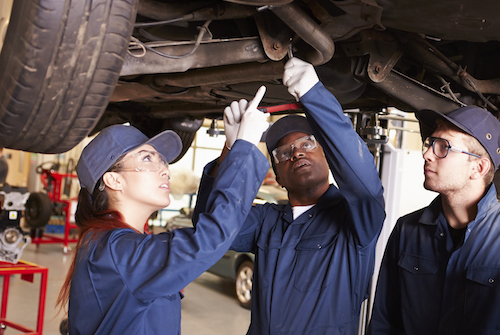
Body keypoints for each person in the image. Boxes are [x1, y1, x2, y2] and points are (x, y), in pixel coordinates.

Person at [56, 86, 271, 335]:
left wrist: (230, 151)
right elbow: (205, 242)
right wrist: (244, 148)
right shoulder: (117, 250)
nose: (165, 170)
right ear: (113, 181)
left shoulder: (106, 243)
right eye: (147, 158)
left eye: (161, 160)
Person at [193, 57, 386, 334]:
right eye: (284, 153)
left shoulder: (355, 221)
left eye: (307, 143)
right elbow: (209, 226)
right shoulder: (266, 222)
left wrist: (314, 94)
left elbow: (363, 181)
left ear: (328, 157)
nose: (296, 152)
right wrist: (233, 150)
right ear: (279, 178)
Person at [369, 106, 500, 335]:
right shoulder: (406, 230)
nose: (427, 154)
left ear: (478, 168)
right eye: (430, 143)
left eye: (443, 147)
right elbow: (384, 323)